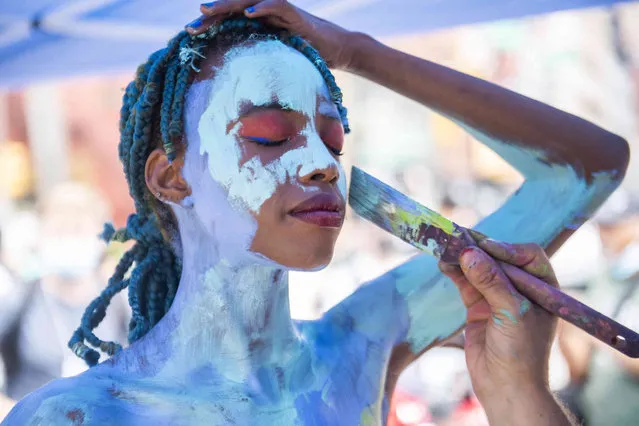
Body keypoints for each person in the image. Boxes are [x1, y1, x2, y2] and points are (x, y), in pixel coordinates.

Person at [3, 1, 628, 424]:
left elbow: (584, 166)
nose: (322, 165)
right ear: (171, 177)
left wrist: (358, 52)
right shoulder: (82, 416)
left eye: (332, 140)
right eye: (270, 136)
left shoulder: (358, 348)